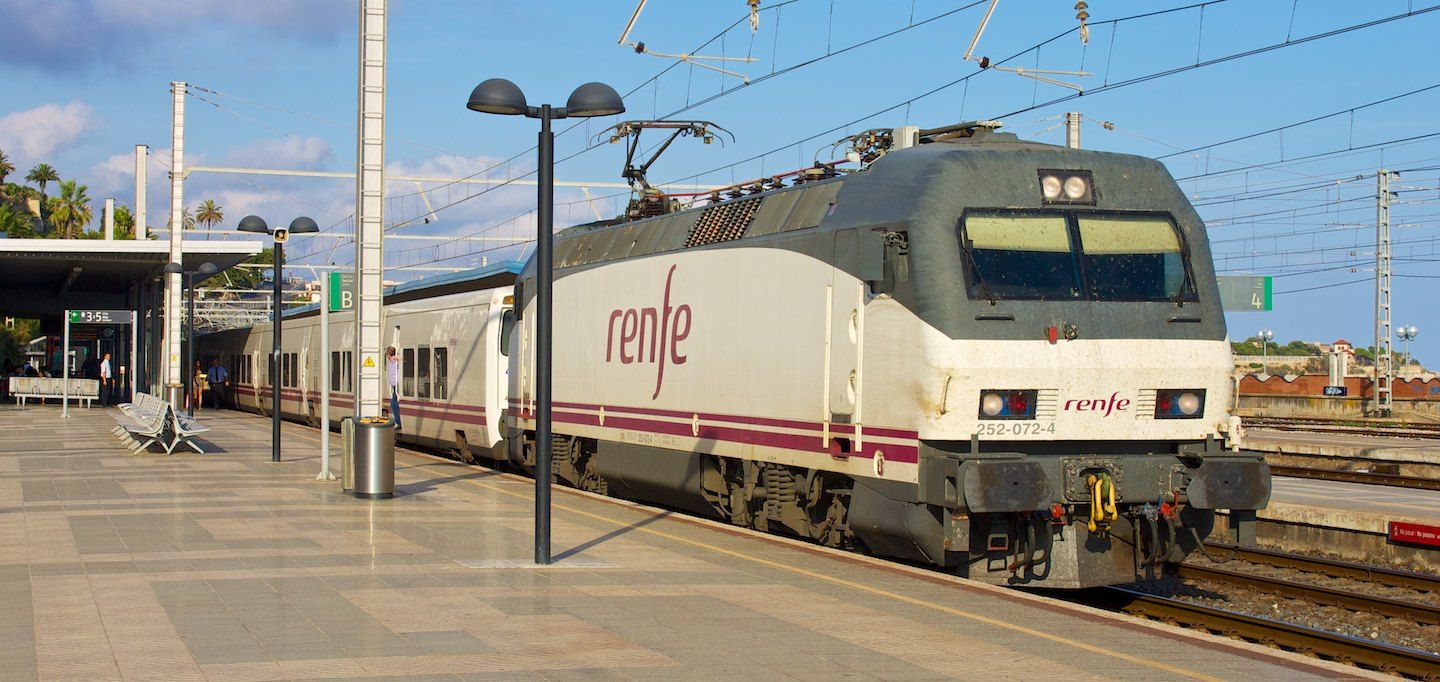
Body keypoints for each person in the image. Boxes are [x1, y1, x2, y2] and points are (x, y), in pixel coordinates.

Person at [386, 346, 402, 430]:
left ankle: (399, 423)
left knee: (394, 404)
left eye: (387, 355)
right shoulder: (392, 362)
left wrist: (397, 357)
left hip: (397, 385)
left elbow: (401, 359)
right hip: (394, 386)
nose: (387, 357)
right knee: (394, 404)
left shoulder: (395, 361)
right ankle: (398, 422)